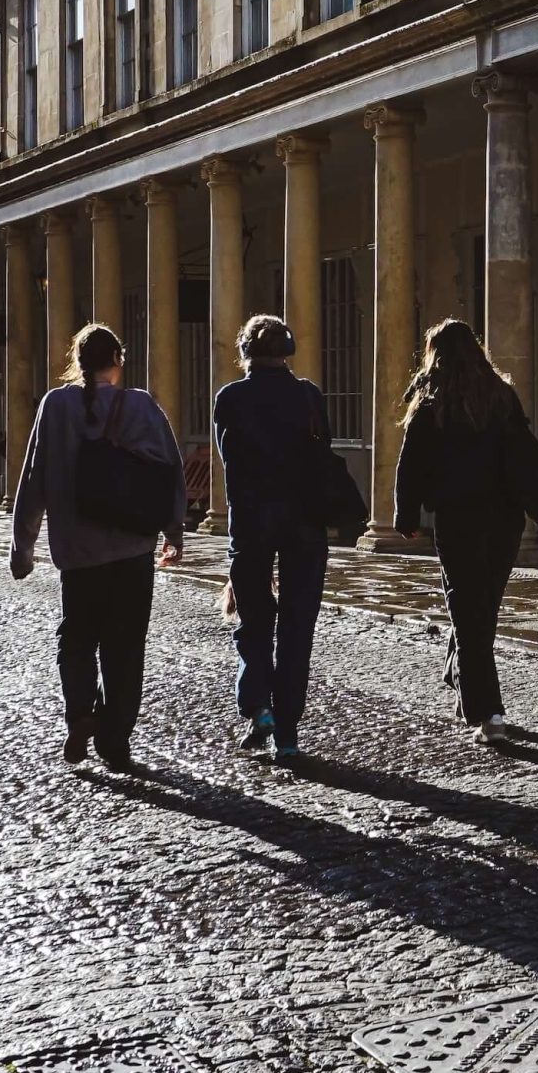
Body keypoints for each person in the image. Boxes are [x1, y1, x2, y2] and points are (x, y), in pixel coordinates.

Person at [9, 322, 186, 773]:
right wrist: (174, 530)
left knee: (78, 638)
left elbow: (33, 478)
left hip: (78, 553)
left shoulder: (55, 405)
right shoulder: (141, 405)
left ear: (78, 361)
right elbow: (170, 471)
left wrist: (22, 545)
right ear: (118, 361)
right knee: (125, 648)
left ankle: (80, 711)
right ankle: (114, 739)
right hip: (131, 551)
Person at [395, 320, 538, 744]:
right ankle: (464, 680)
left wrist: (407, 515)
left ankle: (488, 712)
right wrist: (537, 505)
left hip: (458, 517)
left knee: (469, 611)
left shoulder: (431, 400)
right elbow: (525, 451)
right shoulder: (501, 396)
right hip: (503, 518)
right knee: (479, 606)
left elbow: (411, 462)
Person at [213, 314, 336, 767]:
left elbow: (229, 463)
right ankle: (288, 733)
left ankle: (258, 706)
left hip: (251, 524)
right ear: (287, 351)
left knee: (255, 622)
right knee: (297, 629)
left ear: (245, 351)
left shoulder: (231, 398)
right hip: (305, 523)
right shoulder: (308, 395)